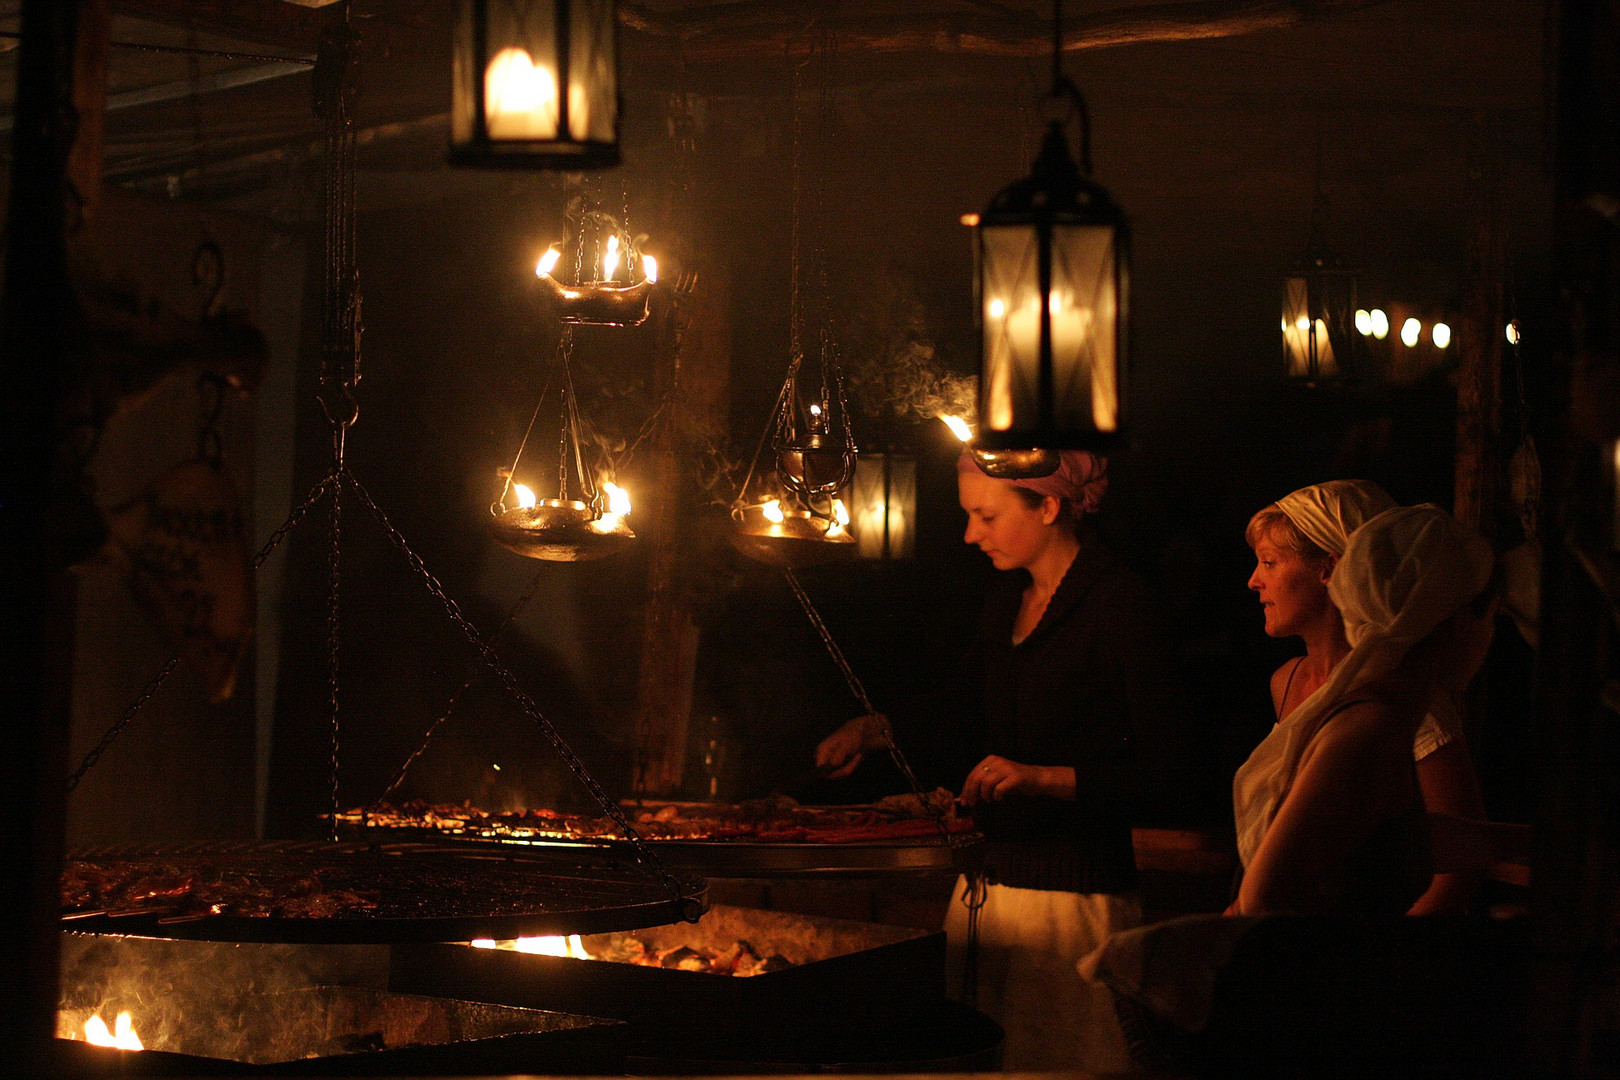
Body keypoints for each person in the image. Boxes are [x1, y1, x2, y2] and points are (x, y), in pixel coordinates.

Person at [815, 448, 1174, 1072]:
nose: (969, 535)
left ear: (1049, 507)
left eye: (985, 516)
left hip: (1074, 905)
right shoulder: (1007, 599)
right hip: (988, 891)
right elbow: (962, 705)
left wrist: (1043, 779)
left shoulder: (1120, 604)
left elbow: (1170, 770)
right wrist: (878, 729)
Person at [1232, 503, 1496, 915]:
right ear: (1458, 623)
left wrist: (1527, 842)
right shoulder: (1370, 724)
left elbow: (1389, 838)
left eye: (1269, 562)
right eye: (1491, 621)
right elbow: (1262, 896)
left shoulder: (1389, 712)